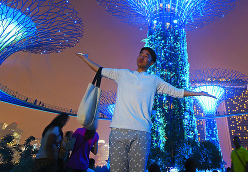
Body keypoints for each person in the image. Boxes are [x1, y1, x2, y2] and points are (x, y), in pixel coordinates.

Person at [76, 48, 215, 172]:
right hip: (118, 131)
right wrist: (85, 58)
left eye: (147, 56)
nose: (142, 56)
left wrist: (199, 93)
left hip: (141, 134)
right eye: (141, 54)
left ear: (152, 63)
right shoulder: (123, 74)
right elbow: (100, 70)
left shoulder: (154, 80)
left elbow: (176, 92)